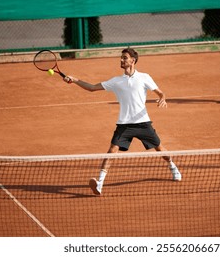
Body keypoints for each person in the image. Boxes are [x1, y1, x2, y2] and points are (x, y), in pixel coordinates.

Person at [63, 48, 181, 195]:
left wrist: (162, 97)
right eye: (121, 58)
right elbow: (92, 88)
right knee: (112, 151)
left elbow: (160, 92)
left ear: (133, 60)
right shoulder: (116, 81)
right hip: (124, 124)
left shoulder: (144, 77)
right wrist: (74, 80)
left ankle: (172, 166)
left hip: (143, 122)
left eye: (124, 58)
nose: (121, 60)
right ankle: (100, 182)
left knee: (160, 149)